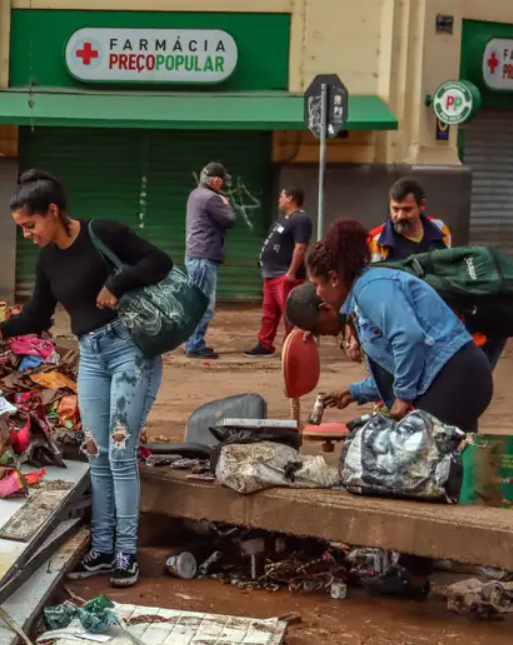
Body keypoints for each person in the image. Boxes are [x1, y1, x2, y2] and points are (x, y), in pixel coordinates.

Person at [0, 170, 172, 588]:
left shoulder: (102, 231)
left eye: (31, 226)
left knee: (121, 455)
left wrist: (117, 282)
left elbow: (160, 261)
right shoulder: (47, 258)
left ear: (53, 212)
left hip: (130, 353)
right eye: (22, 229)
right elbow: (36, 317)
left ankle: (126, 552)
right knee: (97, 455)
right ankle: (102, 549)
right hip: (91, 356)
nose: (28, 235)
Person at [285, 220, 493, 597]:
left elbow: (409, 337)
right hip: (453, 377)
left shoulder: (371, 288)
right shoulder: (365, 296)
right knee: (435, 475)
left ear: (333, 278)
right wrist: (356, 391)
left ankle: (413, 577)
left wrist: (403, 397)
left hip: (457, 376)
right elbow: (399, 360)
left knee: (412, 469)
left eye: (317, 284)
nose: (318, 291)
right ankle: (423, 565)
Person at [368, 178, 505, 370]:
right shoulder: (376, 241)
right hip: (402, 323)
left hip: (441, 317)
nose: (399, 216)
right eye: (395, 209)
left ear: (422, 206)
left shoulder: (440, 230)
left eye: (407, 210)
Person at [245, 187, 311, 357]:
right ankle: (265, 345)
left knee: (291, 314)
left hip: (285, 275)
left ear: (290, 198)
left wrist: (291, 272)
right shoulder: (284, 219)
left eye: (281, 196)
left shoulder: (301, 219)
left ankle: (295, 349)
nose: (278, 200)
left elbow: (301, 246)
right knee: (269, 314)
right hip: (271, 274)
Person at [183, 162, 236, 359]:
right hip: (204, 258)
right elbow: (230, 220)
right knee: (204, 304)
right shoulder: (212, 198)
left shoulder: (195, 194)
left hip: (196, 256)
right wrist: (225, 203)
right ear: (215, 180)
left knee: (196, 302)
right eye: (222, 180)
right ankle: (194, 345)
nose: (223, 185)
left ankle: (193, 342)